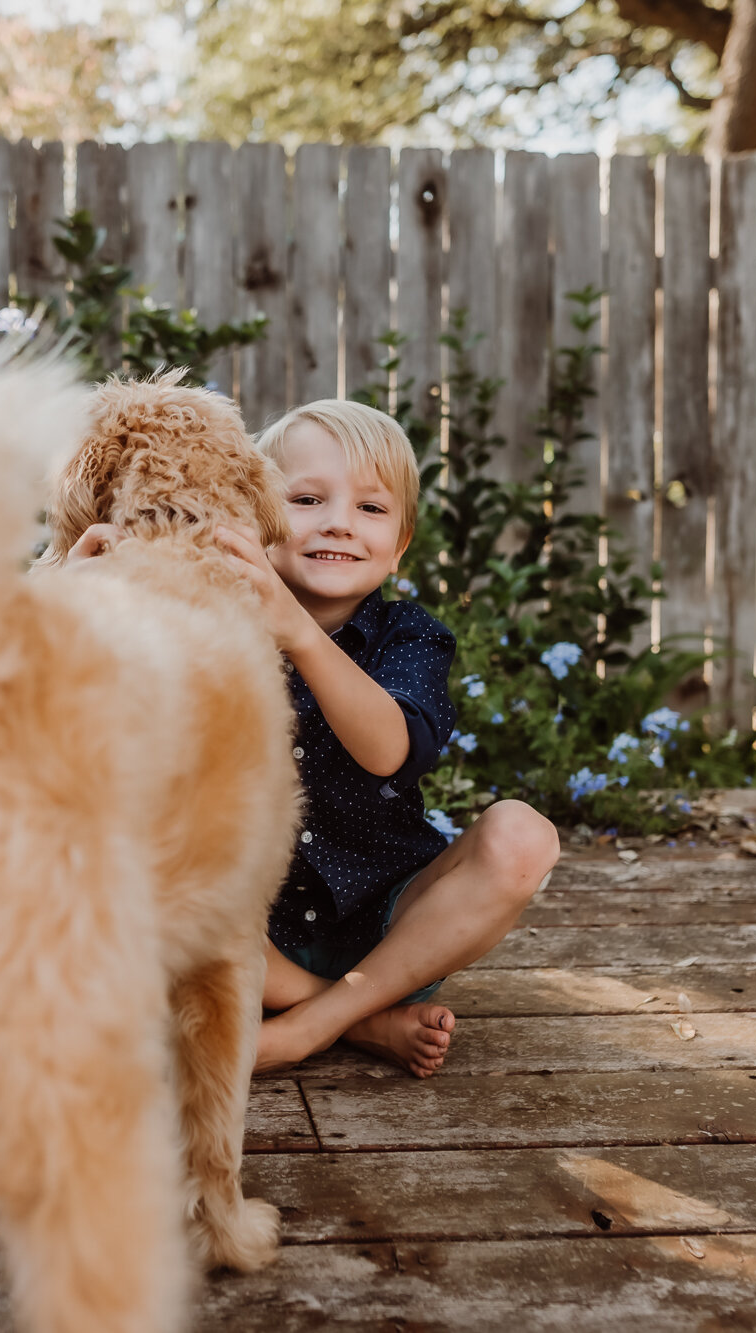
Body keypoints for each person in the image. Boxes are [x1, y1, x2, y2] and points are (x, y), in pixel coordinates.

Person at [210, 399, 559, 1076]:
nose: (339, 521)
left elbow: (390, 750)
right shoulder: (215, 624)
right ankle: (357, 1021)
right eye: (307, 498)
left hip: (394, 935)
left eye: (372, 509)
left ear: (399, 546)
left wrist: (298, 633)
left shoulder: (411, 636)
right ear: (256, 520)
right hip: (257, 943)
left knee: (525, 837)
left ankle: (308, 1029)